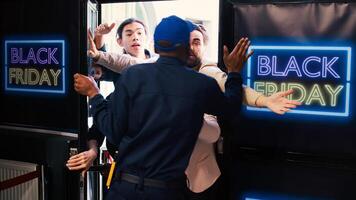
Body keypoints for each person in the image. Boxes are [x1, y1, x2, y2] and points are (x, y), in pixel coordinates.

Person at [74, 15, 246, 199]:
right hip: (168, 192)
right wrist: (234, 73)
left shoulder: (132, 77)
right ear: (186, 48)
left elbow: (114, 132)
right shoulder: (201, 85)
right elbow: (231, 108)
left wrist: (94, 95)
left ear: (155, 47)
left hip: (125, 190)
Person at [184, 24, 301, 200]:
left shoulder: (207, 71)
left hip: (199, 177)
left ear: (204, 46)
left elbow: (231, 85)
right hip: (162, 175)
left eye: (196, 42)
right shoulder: (160, 69)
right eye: (186, 42)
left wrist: (264, 100)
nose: (191, 48)